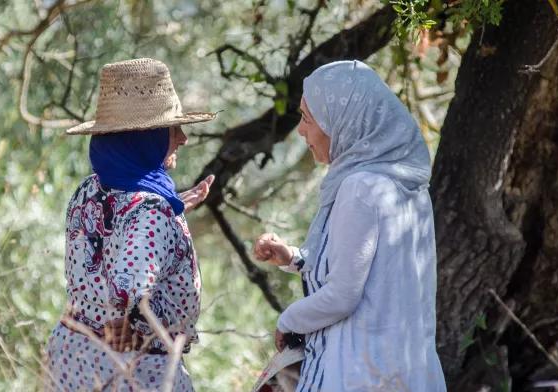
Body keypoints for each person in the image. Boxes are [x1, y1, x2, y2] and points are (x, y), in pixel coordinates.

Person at [253, 60, 447, 391]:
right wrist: (294, 259)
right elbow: (375, 275)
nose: (301, 130)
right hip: (410, 372)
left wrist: (288, 320)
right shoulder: (407, 186)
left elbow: (343, 296)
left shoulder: (360, 187)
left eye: (307, 118)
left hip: (361, 374)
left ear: (341, 122)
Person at [45, 58, 215, 391]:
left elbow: (119, 233)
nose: (182, 138)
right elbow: (129, 283)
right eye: (171, 128)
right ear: (145, 137)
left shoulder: (91, 188)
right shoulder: (152, 213)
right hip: (132, 370)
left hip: (72, 357)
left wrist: (173, 212)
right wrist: (127, 314)